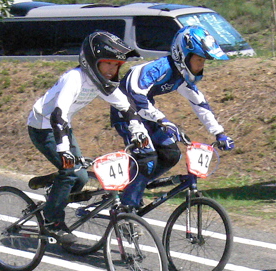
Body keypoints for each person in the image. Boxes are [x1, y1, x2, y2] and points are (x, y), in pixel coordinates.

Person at [27, 31, 149, 245]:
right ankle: (52, 221)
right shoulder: (75, 78)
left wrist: (138, 130)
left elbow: (126, 107)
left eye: (117, 65)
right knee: (71, 171)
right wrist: (64, 150)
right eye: (108, 64)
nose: (112, 70)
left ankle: (55, 189)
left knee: (81, 178)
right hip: (43, 127)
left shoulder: (100, 81)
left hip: (62, 127)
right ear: (93, 61)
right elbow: (58, 115)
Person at [111, 25, 235, 209]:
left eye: (204, 61)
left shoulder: (181, 76)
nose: (201, 65)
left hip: (146, 115)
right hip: (126, 113)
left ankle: (134, 185)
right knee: (147, 158)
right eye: (199, 59)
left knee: (170, 154)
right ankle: (125, 208)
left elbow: (200, 104)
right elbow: (136, 95)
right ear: (183, 54)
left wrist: (219, 133)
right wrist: (164, 121)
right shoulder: (159, 68)